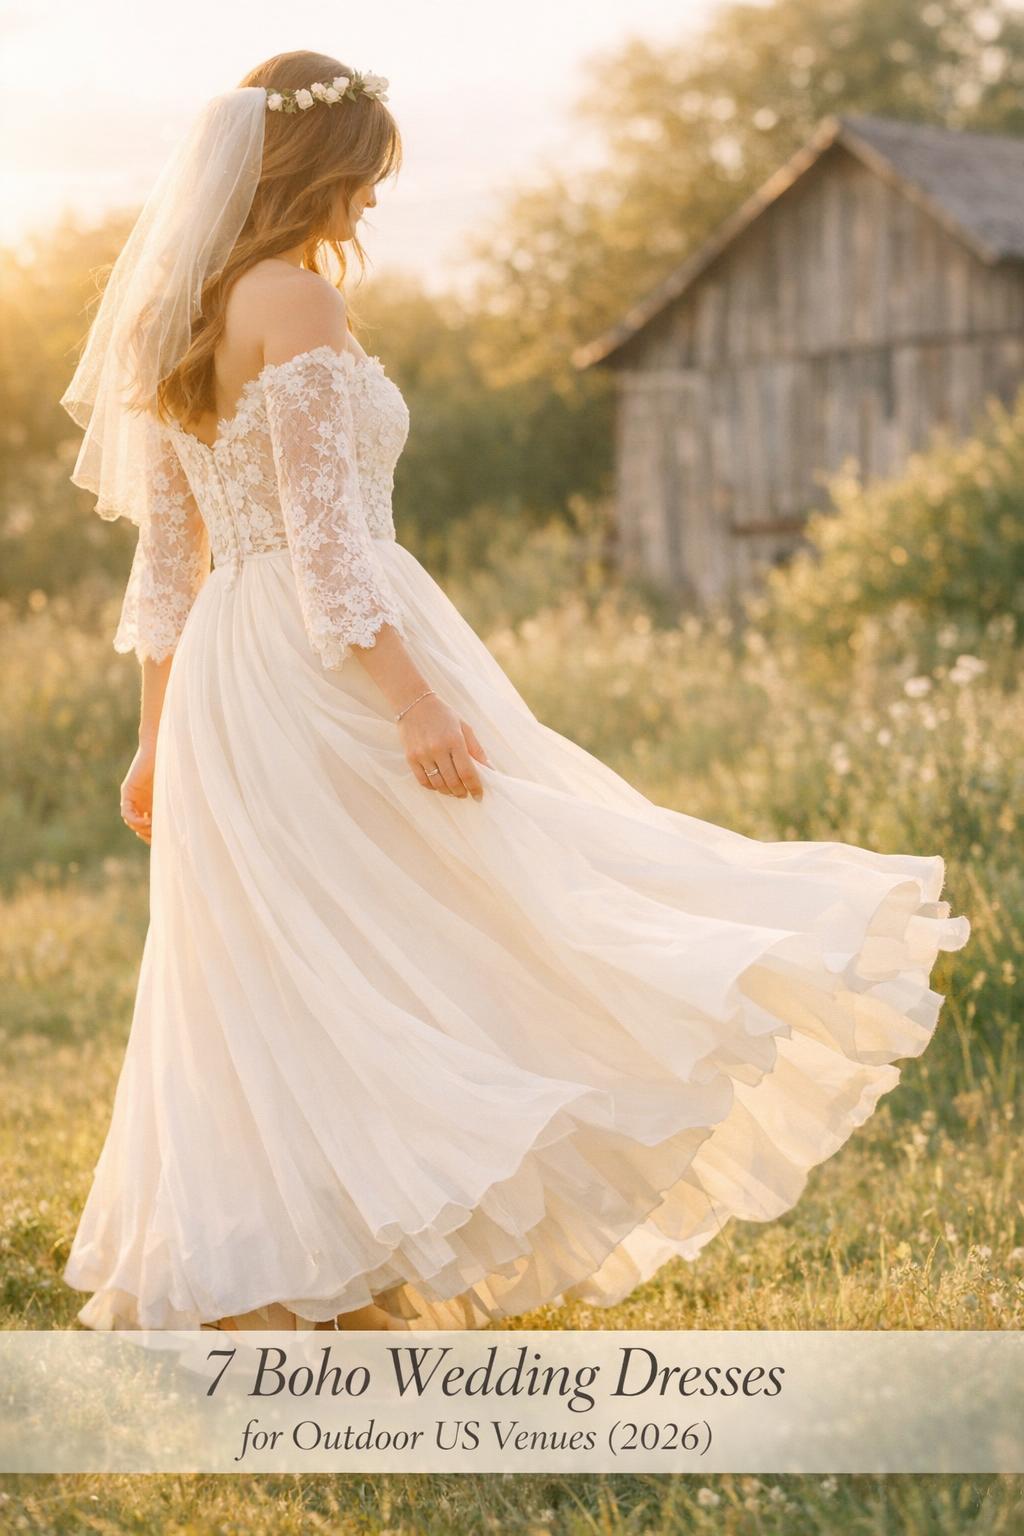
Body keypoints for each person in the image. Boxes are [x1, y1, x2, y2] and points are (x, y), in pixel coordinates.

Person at [59, 50, 971, 1333]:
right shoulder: (297, 305)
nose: (368, 206)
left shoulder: (177, 320)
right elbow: (326, 547)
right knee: (473, 906)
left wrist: (153, 739)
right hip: (332, 660)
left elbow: (169, 565)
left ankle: (321, 1280)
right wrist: (416, 700)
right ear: (313, 170)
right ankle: (357, 1257)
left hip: (223, 678)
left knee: (301, 963)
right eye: (364, 179)